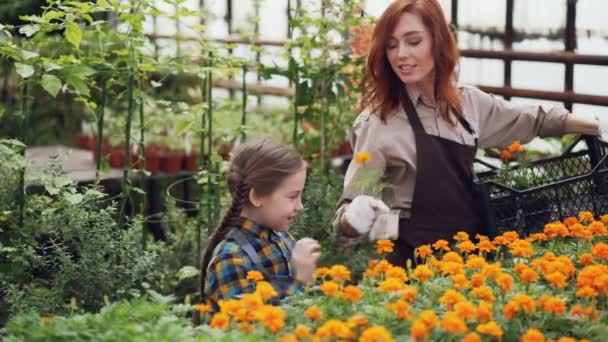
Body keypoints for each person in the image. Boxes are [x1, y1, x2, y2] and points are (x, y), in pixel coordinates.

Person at [333, 0, 608, 268]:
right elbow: (346, 220)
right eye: (391, 45)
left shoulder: (467, 103)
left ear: (438, 41)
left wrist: (594, 125)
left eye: (413, 41)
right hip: (413, 271)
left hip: (472, 260)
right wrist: (357, 217)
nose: (400, 54)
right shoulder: (379, 122)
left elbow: (531, 119)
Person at [194, 138, 320, 324]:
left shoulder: (281, 238)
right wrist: (300, 282)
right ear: (257, 196)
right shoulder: (230, 258)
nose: (300, 206)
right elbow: (246, 329)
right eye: (293, 196)